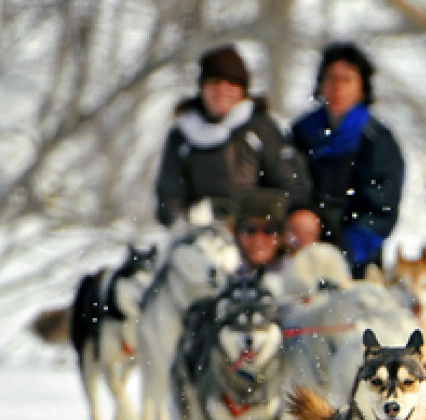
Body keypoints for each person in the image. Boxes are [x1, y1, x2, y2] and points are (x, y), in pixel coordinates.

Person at [154, 44, 312, 228]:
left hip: (257, 233)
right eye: (214, 82)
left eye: (231, 82)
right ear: (202, 87)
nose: (222, 89)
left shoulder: (261, 128)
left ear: (242, 89)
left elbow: (292, 186)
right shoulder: (181, 136)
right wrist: (192, 221)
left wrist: (255, 218)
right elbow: (169, 199)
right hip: (199, 232)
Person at [290, 42, 405, 279]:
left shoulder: (377, 141)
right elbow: (287, 183)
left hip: (358, 263)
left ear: (361, 88)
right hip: (299, 251)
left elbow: (382, 209)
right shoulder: (301, 133)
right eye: (331, 78)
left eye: (347, 80)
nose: (337, 87)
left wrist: (342, 249)